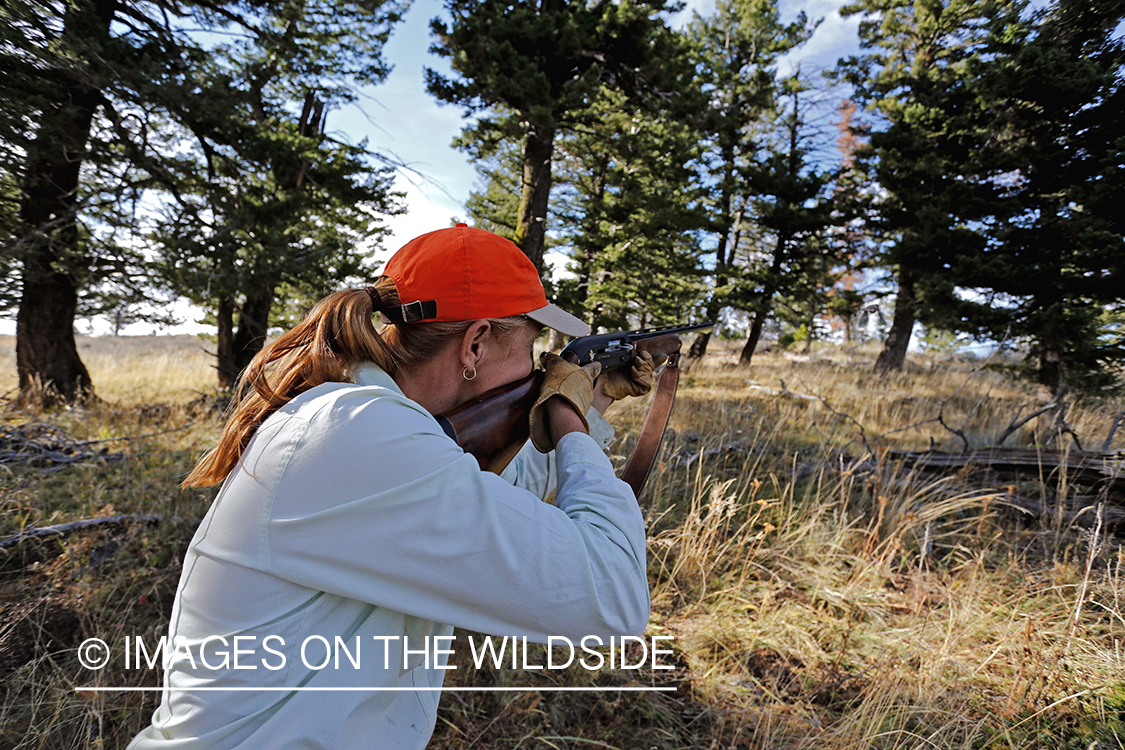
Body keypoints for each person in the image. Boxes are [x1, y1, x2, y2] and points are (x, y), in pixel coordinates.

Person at [128, 224, 656, 749]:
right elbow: (613, 597)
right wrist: (568, 417)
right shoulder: (360, 435)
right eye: (533, 346)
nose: (540, 367)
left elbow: (500, 497)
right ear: (474, 344)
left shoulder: (368, 423)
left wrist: (594, 402)